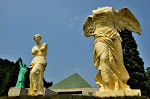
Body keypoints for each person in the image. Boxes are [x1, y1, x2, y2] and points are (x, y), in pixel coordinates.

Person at [83, 7, 141, 91]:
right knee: (103, 59)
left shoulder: (113, 12)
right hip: (100, 37)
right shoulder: (91, 17)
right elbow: (87, 32)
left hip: (114, 36)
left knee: (119, 61)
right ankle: (107, 85)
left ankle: (121, 85)